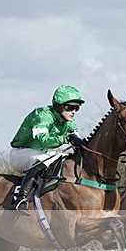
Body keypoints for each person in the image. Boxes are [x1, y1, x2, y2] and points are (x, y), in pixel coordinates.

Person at [9, 85, 87, 214]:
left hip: (42, 152)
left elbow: (80, 141)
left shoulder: (70, 122)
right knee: (47, 158)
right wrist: (65, 139)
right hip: (20, 153)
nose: (73, 111)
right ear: (58, 106)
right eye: (69, 108)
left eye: (76, 108)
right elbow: (43, 140)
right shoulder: (42, 115)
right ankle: (20, 199)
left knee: (66, 156)